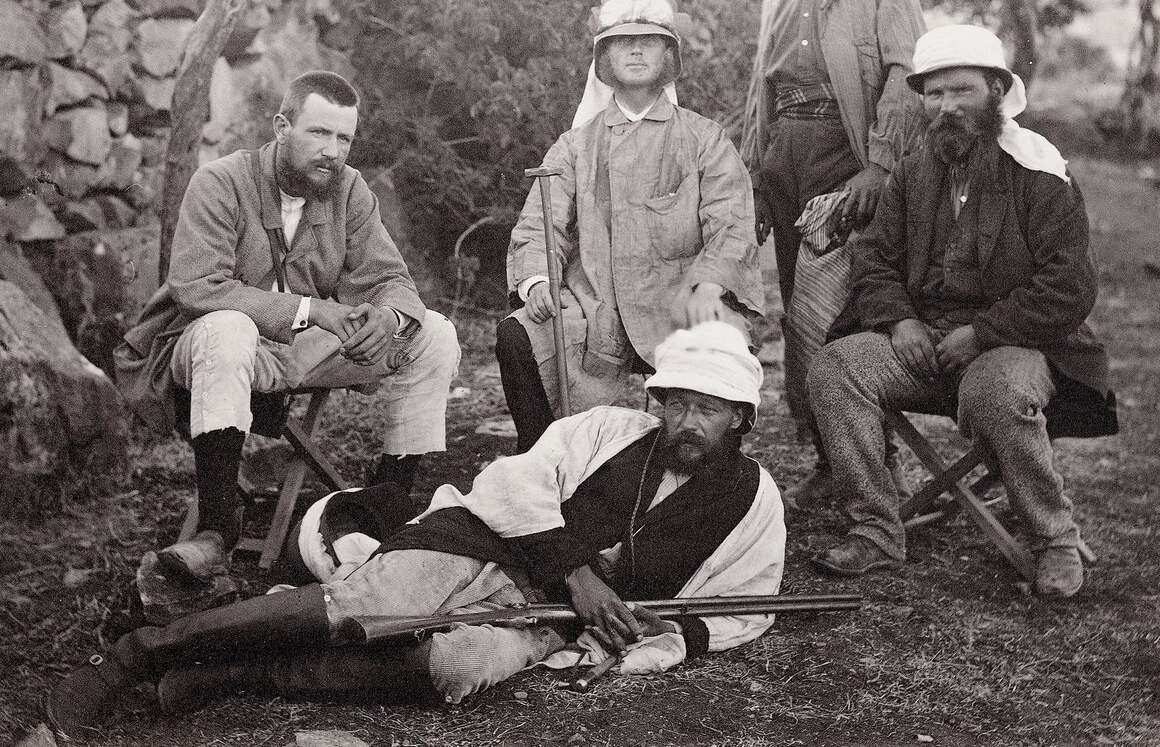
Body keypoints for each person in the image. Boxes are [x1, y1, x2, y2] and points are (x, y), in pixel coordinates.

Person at [47, 322, 786, 737]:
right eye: (677, 403)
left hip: (549, 619)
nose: (687, 423)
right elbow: (512, 483)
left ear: (743, 418)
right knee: (359, 610)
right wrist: (580, 573)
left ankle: (236, 671)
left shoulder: (754, 502)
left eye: (709, 409)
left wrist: (650, 637)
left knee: (453, 669)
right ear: (658, 401)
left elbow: (742, 604)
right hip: (475, 543)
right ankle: (133, 659)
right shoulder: (609, 429)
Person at [807, 24, 1118, 597]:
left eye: (962, 91)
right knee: (835, 368)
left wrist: (982, 333)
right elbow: (873, 257)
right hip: (924, 340)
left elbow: (1069, 287)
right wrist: (899, 320)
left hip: (1021, 346)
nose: (947, 107)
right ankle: (876, 529)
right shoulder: (912, 171)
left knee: (995, 390)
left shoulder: (1042, 173)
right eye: (934, 94)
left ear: (997, 92)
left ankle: (1054, 540)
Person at [113, 70, 460, 579]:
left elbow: (391, 278)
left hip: (302, 354)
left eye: (344, 138)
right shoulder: (220, 181)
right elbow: (197, 288)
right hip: (212, 346)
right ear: (282, 126)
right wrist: (314, 309)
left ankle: (386, 505)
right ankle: (215, 530)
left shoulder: (350, 190)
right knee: (226, 327)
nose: (332, 151)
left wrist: (388, 316)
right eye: (319, 133)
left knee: (434, 333)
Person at [498, 0, 764, 452]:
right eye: (623, 42)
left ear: (669, 57)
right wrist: (538, 278)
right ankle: (545, 462)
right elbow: (542, 222)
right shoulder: (576, 145)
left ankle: (708, 478)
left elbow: (733, 223)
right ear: (604, 59)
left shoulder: (704, 139)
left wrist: (708, 285)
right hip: (596, 301)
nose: (636, 51)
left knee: (722, 349)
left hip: (685, 299)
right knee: (522, 334)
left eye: (650, 42)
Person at [739, 0, 926, 507]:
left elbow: (907, 72)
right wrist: (758, 180)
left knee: (843, 315)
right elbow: (761, 96)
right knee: (798, 318)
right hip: (786, 162)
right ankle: (828, 458)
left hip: (848, 164)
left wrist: (879, 163)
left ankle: (878, 464)